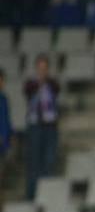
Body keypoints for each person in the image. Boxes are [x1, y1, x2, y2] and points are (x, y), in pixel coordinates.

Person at [23, 55, 60, 199]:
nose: (42, 71)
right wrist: (38, 83)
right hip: (35, 127)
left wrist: (46, 82)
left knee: (49, 161)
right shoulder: (31, 84)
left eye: (45, 68)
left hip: (50, 127)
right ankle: (31, 195)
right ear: (36, 69)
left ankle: (47, 195)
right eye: (40, 68)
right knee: (34, 162)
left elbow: (57, 89)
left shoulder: (51, 84)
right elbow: (27, 91)